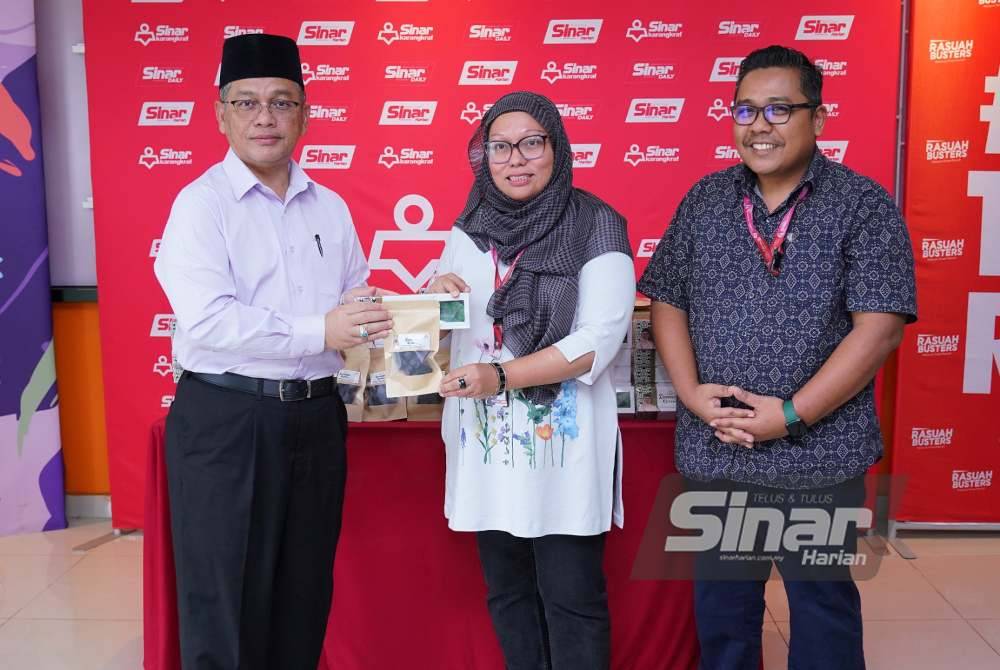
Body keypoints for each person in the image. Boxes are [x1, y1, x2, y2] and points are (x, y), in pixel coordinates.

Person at [638, 45, 917, 670]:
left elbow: (879, 331)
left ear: (817, 119)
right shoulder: (707, 200)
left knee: (821, 611)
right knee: (724, 613)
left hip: (819, 451)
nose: (758, 124)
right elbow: (667, 302)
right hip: (720, 444)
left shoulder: (862, 206)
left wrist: (788, 414)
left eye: (778, 108)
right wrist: (689, 391)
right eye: (744, 109)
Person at [153, 34, 392, 669]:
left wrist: (422, 306)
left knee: (303, 597)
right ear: (221, 113)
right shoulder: (200, 207)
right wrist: (322, 331)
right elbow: (209, 321)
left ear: (305, 114)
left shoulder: (332, 207)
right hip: (228, 422)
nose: (266, 117)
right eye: (248, 102)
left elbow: (352, 299)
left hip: (315, 419)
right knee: (225, 604)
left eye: (282, 102)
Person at [429, 91, 635, 670]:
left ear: (557, 148)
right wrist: (433, 302)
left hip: (562, 454)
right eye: (500, 146)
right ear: (483, 156)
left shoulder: (597, 224)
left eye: (531, 143)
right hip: (487, 451)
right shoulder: (469, 229)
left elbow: (597, 338)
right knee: (508, 594)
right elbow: (453, 337)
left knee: (572, 599)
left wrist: (503, 374)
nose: (515, 158)